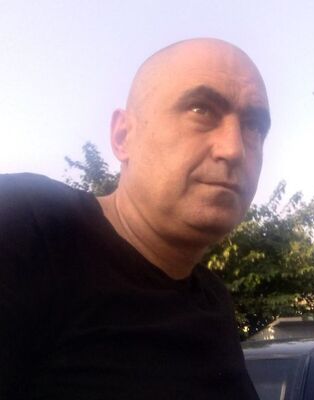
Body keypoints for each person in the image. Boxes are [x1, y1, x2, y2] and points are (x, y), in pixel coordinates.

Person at [0, 38, 270, 399]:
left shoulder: (212, 300)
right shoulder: (26, 225)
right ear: (123, 135)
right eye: (201, 110)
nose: (234, 149)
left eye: (253, 126)